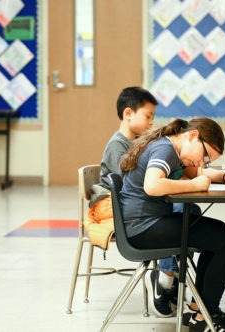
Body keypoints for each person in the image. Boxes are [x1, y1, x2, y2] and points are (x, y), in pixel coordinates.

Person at [119, 117, 225, 332]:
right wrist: (193, 184)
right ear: (193, 136)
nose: (202, 163)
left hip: (146, 224)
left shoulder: (173, 149)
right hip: (143, 228)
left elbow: (197, 173)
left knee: (219, 233)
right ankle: (205, 316)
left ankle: (198, 308)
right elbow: (152, 185)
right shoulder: (165, 150)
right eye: (204, 156)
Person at [87, 86, 181, 317]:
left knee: (186, 210)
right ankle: (166, 278)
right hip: (123, 211)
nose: (151, 122)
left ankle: (173, 271)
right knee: (173, 213)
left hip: (138, 202)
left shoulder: (140, 142)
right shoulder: (117, 146)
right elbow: (131, 184)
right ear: (128, 114)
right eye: (148, 116)